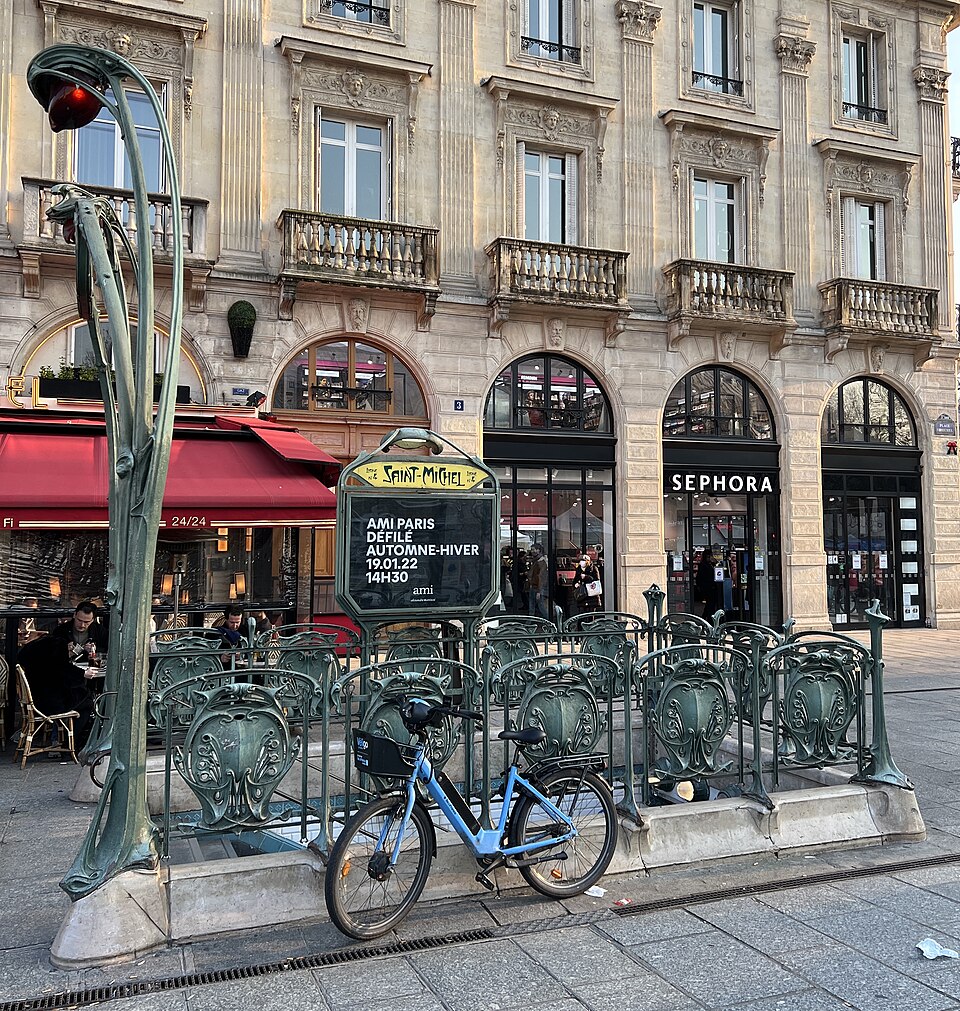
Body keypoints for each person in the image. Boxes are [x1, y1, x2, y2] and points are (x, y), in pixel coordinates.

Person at [17, 601, 107, 747]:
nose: (82, 625)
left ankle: (65, 739)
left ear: (93, 620)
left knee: (83, 694)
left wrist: (92, 651)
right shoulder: (60, 636)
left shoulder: (98, 631)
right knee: (87, 701)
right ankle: (69, 743)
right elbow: (60, 668)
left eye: (87, 622)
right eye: (80, 620)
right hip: (50, 699)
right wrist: (81, 672)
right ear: (74, 615)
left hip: (40, 695)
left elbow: (57, 667)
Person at [695, 546, 724, 619]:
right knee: (710, 603)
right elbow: (701, 577)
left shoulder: (710, 564)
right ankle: (708, 618)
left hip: (711, 587)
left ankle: (705, 617)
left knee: (710, 604)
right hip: (708, 587)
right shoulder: (704, 565)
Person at [526, 544, 549, 619]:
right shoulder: (537, 561)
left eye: (533, 549)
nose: (532, 551)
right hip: (535, 586)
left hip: (537, 587)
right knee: (535, 606)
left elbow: (541, 578)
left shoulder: (540, 562)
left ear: (538, 550)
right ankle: (530, 621)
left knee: (540, 606)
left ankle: (548, 621)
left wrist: (539, 590)